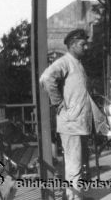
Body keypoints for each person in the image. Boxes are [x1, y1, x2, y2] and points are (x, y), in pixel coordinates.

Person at [39, 29, 92, 200]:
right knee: (74, 167)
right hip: (71, 124)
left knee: (77, 166)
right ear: (72, 45)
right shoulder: (66, 62)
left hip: (79, 124)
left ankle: (74, 196)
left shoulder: (77, 63)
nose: (86, 47)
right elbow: (46, 78)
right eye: (83, 44)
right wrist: (58, 102)